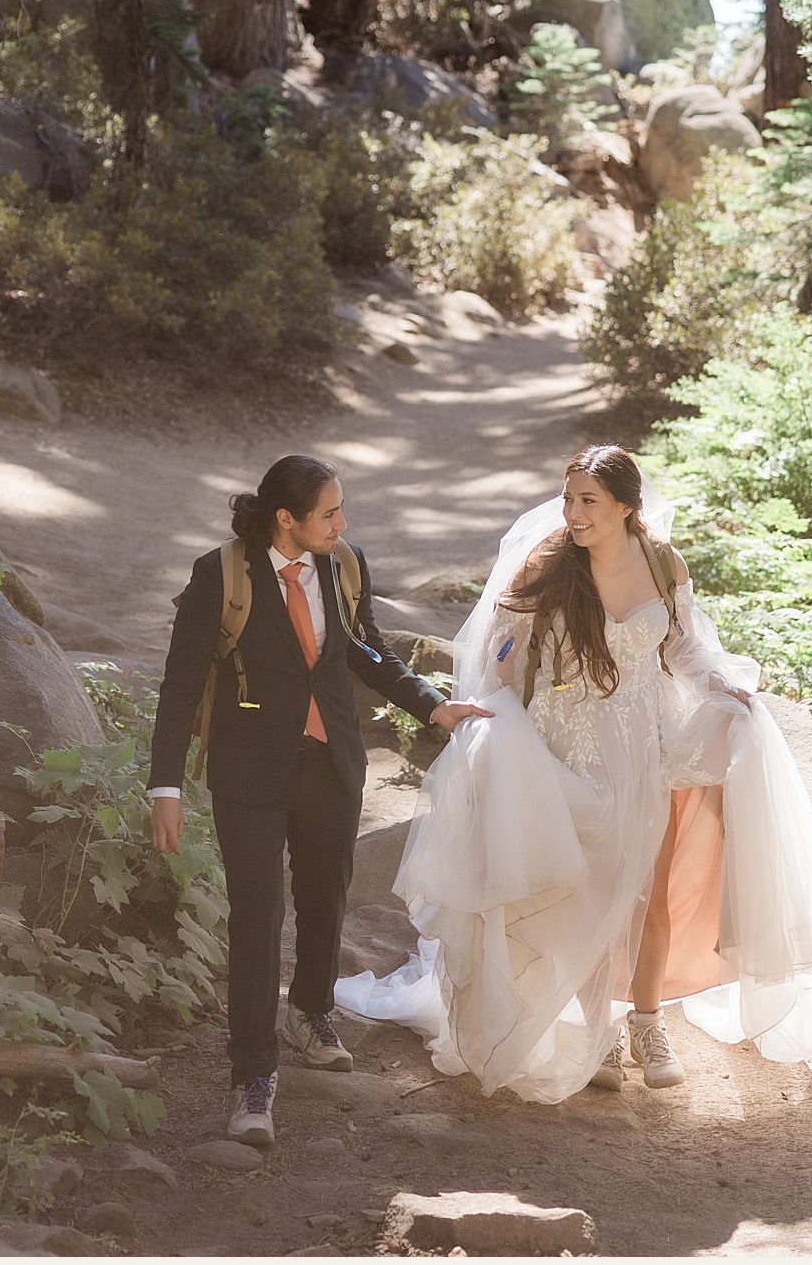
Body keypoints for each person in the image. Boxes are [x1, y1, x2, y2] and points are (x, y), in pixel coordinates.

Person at [334, 446, 812, 1104]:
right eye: (568, 499)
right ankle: (598, 1029)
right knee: (585, 893)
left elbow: (684, 644)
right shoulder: (552, 561)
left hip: (643, 741)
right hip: (565, 746)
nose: (574, 513)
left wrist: (724, 684)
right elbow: (501, 655)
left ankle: (648, 1023)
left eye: (588, 501)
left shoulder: (663, 562)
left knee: (650, 889)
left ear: (625, 507)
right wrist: (507, 656)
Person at [148, 455, 488, 1148]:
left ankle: (309, 1013)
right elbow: (181, 684)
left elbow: (366, 650)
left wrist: (432, 706)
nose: (342, 523)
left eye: (341, 510)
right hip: (248, 771)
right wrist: (167, 786)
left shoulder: (343, 562)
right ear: (286, 519)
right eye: (329, 513)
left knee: (326, 896)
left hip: (332, 760)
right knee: (257, 909)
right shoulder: (222, 575)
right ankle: (252, 1074)